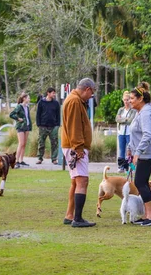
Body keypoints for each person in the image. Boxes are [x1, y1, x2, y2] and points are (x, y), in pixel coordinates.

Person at [127, 83, 151, 226]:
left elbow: (147, 135)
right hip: (145, 153)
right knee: (141, 182)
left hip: (147, 154)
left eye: (132, 98)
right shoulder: (141, 112)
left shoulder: (146, 113)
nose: (129, 101)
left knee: (140, 182)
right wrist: (130, 147)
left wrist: (137, 153)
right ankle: (147, 214)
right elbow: (136, 133)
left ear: (140, 99)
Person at [61, 78, 97, 227]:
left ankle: (70, 215)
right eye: (91, 93)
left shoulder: (74, 99)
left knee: (76, 182)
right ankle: (78, 218)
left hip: (72, 146)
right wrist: (79, 147)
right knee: (82, 181)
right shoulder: (75, 101)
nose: (91, 97)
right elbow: (74, 127)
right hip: (75, 147)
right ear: (87, 89)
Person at [35, 87, 61, 165]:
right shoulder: (41, 102)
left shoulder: (56, 103)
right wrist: (38, 124)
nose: (54, 94)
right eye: (53, 93)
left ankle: (54, 159)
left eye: (54, 93)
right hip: (43, 126)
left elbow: (58, 115)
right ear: (48, 93)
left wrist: (57, 125)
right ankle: (40, 158)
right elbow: (38, 114)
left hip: (53, 126)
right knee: (41, 142)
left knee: (54, 143)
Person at [115, 91, 136, 173]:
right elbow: (117, 119)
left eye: (127, 100)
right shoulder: (121, 110)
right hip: (121, 133)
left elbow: (130, 121)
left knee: (130, 149)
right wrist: (124, 119)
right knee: (121, 150)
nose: (126, 102)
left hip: (129, 133)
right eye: (124, 100)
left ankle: (130, 166)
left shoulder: (133, 110)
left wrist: (122, 120)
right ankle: (121, 166)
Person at [10, 92, 32, 169]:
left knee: (24, 144)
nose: (29, 99)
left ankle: (21, 160)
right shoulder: (19, 106)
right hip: (20, 127)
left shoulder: (27, 107)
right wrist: (18, 119)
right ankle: (15, 161)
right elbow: (11, 114)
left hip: (27, 126)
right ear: (24, 99)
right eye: (28, 98)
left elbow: (28, 117)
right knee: (21, 143)